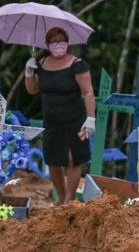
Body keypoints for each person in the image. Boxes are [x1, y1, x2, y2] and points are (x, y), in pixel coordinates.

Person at [24, 27, 96, 204]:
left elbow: (88, 92)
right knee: (53, 160)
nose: (59, 45)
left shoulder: (77, 64)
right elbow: (32, 90)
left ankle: (69, 200)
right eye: (54, 41)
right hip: (52, 120)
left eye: (62, 41)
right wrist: (29, 72)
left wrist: (90, 118)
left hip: (74, 118)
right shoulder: (40, 64)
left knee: (73, 160)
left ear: (67, 43)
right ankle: (62, 195)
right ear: (48, 44)